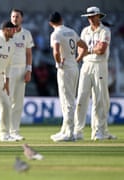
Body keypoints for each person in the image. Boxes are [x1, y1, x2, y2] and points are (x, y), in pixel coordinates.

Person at [74, 6, 116, 141]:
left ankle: (99, 131)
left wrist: (88, 51)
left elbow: (101, 49)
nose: (90, 19)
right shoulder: (85, 31)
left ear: (99, 16)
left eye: (93, 16)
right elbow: (81, 49)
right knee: (81, 98)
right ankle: (78, 131)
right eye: (89, 17)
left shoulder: (105, 31)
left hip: (99, 65)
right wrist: (77, 60)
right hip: (86, 65)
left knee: (99, 99)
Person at [48, 12, 88, 142]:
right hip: (73, 67)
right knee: (65, 100)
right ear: (62, 19)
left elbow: (56, 51)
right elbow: (84, 46)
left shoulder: (56, 34)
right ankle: (64, 130)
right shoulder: (71, 31)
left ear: (50, 23)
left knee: (68, 101)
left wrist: (59, 63)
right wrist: (77, 59)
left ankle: (70, 133)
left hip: (65, 69)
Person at [9, 9, 34, 141]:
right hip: (8, 71)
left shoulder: (26, 34)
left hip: (21, 71)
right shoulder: (6, 32)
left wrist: (28, 70)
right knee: (7, 101)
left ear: (21, 19)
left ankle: (15, 131)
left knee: (18, 102)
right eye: (13, 16)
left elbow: (29, 54)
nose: (14, 19)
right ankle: (5, 131)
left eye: (17, 16)